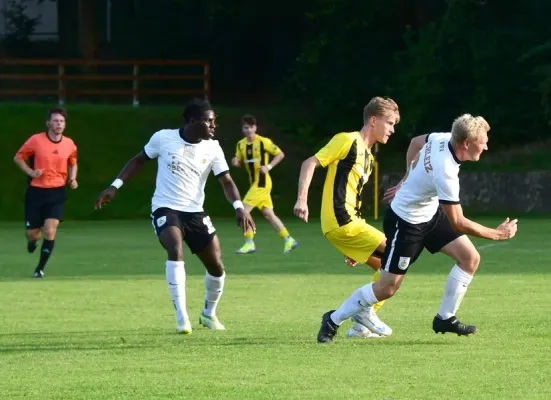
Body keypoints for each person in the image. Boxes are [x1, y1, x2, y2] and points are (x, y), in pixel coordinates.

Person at [316, 114, 518, 343]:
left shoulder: (444, 137)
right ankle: (333, 319)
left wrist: (405, 180)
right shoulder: (446, 172)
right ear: (466, 143)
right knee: (387, 287)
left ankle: (445, 318)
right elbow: (458, 222)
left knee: (470, 258)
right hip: (406, 223)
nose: (487, 145)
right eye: (483, 141)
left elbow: (415, 142)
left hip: (430, 215)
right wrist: (497, 234)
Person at [94, 99, 255, 335]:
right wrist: (114, 186)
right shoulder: (163, 138)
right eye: (209, 121)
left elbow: (226, 181)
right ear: (192, 121)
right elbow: (138, 160)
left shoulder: (213, 148)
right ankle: (182, 317)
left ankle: (208, 314)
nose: (213, 126)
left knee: (217, 267)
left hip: (195, 212)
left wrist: (239, 207)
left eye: (214, 121)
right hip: (165, 208)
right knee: (175, 249)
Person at [294, 96, 400, 340]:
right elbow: (309, 163)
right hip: (342, 222)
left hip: (351, 225)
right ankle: (361, 315)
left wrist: (350, 247)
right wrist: (302, 199)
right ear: (374, 120)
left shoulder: (370, 159)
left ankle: (360, 326)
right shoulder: (346, 140)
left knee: (388, 273)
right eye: (390, 123)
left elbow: (353, 197)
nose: (393, 130)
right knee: (397, 254)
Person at [13, 107, 78, 278]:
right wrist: (31, 172)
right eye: (55, 121)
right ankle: (32, 241)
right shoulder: (36, 140)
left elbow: (73, 162)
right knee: (33, 234)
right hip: (36, 192)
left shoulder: (69, 144)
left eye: (62, 121)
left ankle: (39, 269)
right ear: (48, 123)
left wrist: (72, 178)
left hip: (56, 192)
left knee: (50, 229)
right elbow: (18, 157)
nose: (59, 124)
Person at [231, 114, 298, 254]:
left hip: (262, 183)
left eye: (250, 127)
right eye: (245, 128)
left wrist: (269, 167)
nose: (248, 130)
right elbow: (238, 159)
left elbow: (280, 154)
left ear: (255, 128)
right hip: (254, 184)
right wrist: (236, 162)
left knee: (243, 211)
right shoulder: (240, 144)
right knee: (269, 214)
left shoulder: (263, 142)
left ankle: (249, 243)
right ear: (242, 129)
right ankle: (289, 240)